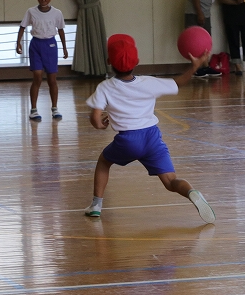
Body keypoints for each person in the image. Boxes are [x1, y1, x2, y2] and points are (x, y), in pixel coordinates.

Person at [84, 34, 216, 223]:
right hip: (152, 138)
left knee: (104, 162)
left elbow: (95, 119)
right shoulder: (149, 82)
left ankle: (96, 205)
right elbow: (178, 82)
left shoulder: (105, 87)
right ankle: (191, 192)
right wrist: (194, 66)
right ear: (137, 61)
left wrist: (101, 124)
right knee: (171, 181)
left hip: (128, 140)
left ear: (108, 62)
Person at [17, 0, 69, 121]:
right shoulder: (31, 11)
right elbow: (22, 27)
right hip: (36, 45)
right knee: (37, 77)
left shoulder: (57, 13)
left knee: (52, 79)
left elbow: (61, 30)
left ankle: (54, 108)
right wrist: (18, 43)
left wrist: (64, 47)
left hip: (50, 45)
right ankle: (33, 110)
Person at [185, 0, 231, 79]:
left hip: (205, 12)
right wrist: (199, 13)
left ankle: (205, 67)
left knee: (205, 42)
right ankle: (196, 68)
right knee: (194, 42)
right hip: (195, 13)